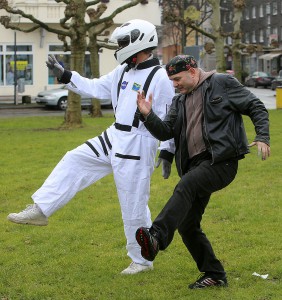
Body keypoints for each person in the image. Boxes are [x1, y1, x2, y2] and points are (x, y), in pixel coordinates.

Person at [7, 19, 175, 275]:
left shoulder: (160, 77)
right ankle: (41, 209)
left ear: (138, 41)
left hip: (139, 144)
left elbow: (169, 116)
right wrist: (66, 75)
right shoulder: (123, 71)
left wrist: (168, 150)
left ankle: (142, 260)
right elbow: (97, 86)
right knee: (74, 159)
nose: (119, 47)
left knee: (133, 204)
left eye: (122, 42)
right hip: (113, 135)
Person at [135, 55, 270, 288]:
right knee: (187, 225)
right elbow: (167, 131)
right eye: (171, 81)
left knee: (185, 186)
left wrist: (262, 136)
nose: (174, 85)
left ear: (193, 71)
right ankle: (215, 274)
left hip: (221, 162)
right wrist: (147, 114)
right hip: (195, 166)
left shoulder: (222, 83)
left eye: (177, 79)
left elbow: (255, 106)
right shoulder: (179, 101)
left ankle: (156, 235)